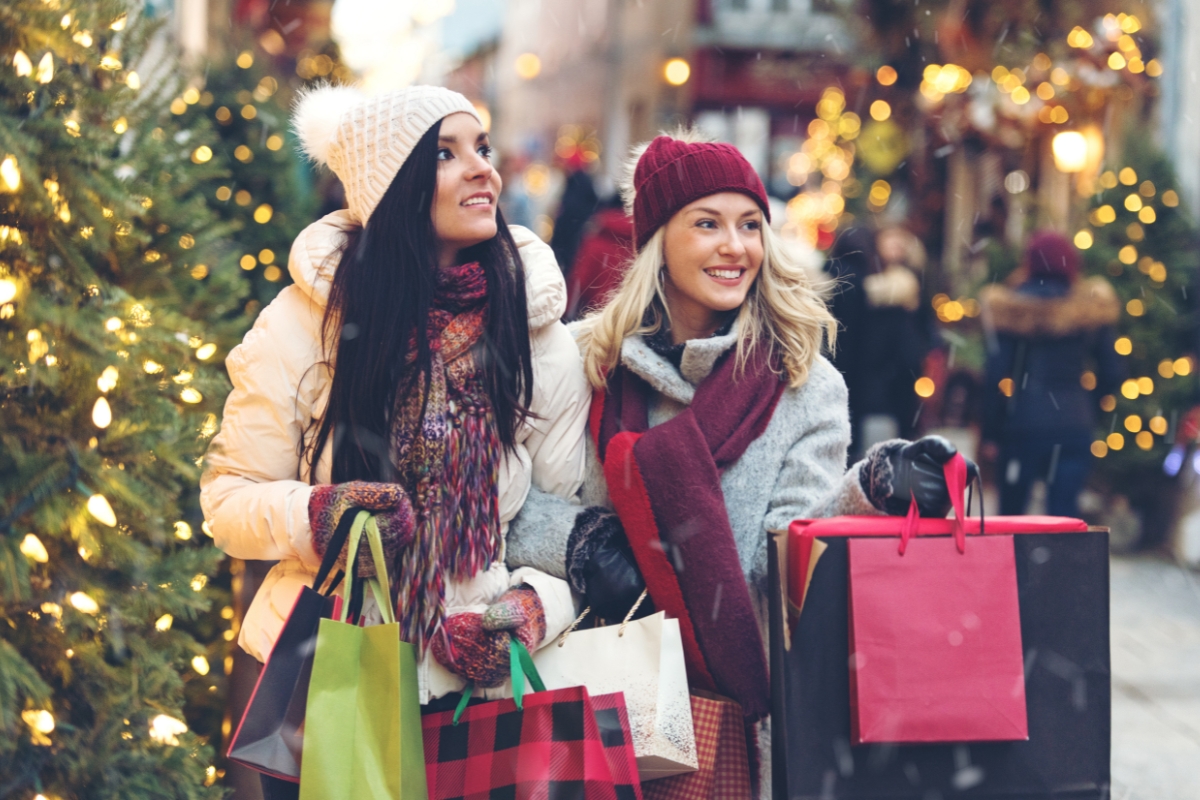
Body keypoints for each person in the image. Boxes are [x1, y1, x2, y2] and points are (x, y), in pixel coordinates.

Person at [505, 129, 974, 796]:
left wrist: (873, 488)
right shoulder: (581, 361)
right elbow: (503, 503)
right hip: (588, 691)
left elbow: (783, 561)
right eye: (707, 223)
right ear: (656, 241)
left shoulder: (804, 383)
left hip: (726, 704)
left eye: (751, 224)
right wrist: (579, 542)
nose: (736, 246)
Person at [199, 85, 589, 799]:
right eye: (445, 154)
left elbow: (563, 527)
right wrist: (317, 514)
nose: (483, 170)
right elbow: (227, 500)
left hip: (478, 692)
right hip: (327, 680)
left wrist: (532, 608)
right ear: (392, 187)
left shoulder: (539, 340)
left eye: (482, 148)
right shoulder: (301, 326)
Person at [981, 230, 1122, 516]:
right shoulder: (1090, 309)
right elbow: (1114, 372)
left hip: (1022, 424)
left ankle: (1015, 562)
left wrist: (991, 432)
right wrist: (1090, 406)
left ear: (1029, 262)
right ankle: (1061, 562)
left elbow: (994, 375)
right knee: (1064, 519)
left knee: (1011, 520)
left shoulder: (1011, 308)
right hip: (1073, 424)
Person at [565, 195, 635, 320]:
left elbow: (580, 281)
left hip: (594, 314)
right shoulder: (637, 244)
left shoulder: (596, 241)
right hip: (627, 314)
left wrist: (567, 311)